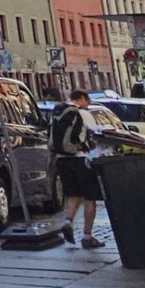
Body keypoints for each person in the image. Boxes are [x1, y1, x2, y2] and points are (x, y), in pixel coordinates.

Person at [50, 89, 103, 247]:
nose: (87, 105)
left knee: (73, 194)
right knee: (90, 198)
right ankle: (87, 237)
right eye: (87, 102)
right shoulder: (82, 113)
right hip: (81, 159)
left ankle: (68, 221)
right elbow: (96, 134)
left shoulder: (57, 113)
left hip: (62, 160)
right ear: (81, 98)